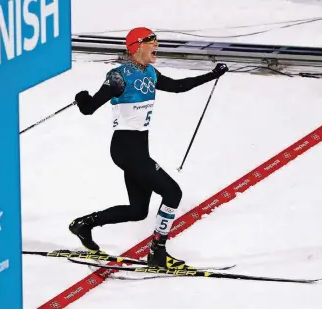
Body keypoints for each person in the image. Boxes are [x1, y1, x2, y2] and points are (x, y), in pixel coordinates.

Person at [68, 26, 228, 269]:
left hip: (138, 149)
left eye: (156, 40)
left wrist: (212, 75)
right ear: (136, 46)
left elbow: (178, 86)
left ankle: (84, 224)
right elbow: (90, 108)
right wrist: (82, 98)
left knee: (137, 211)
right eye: (151, 40)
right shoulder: (118, 77)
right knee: (173, 193)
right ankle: (157, 252)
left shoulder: (150, 73)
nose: (157, 44)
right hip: (125, 148)